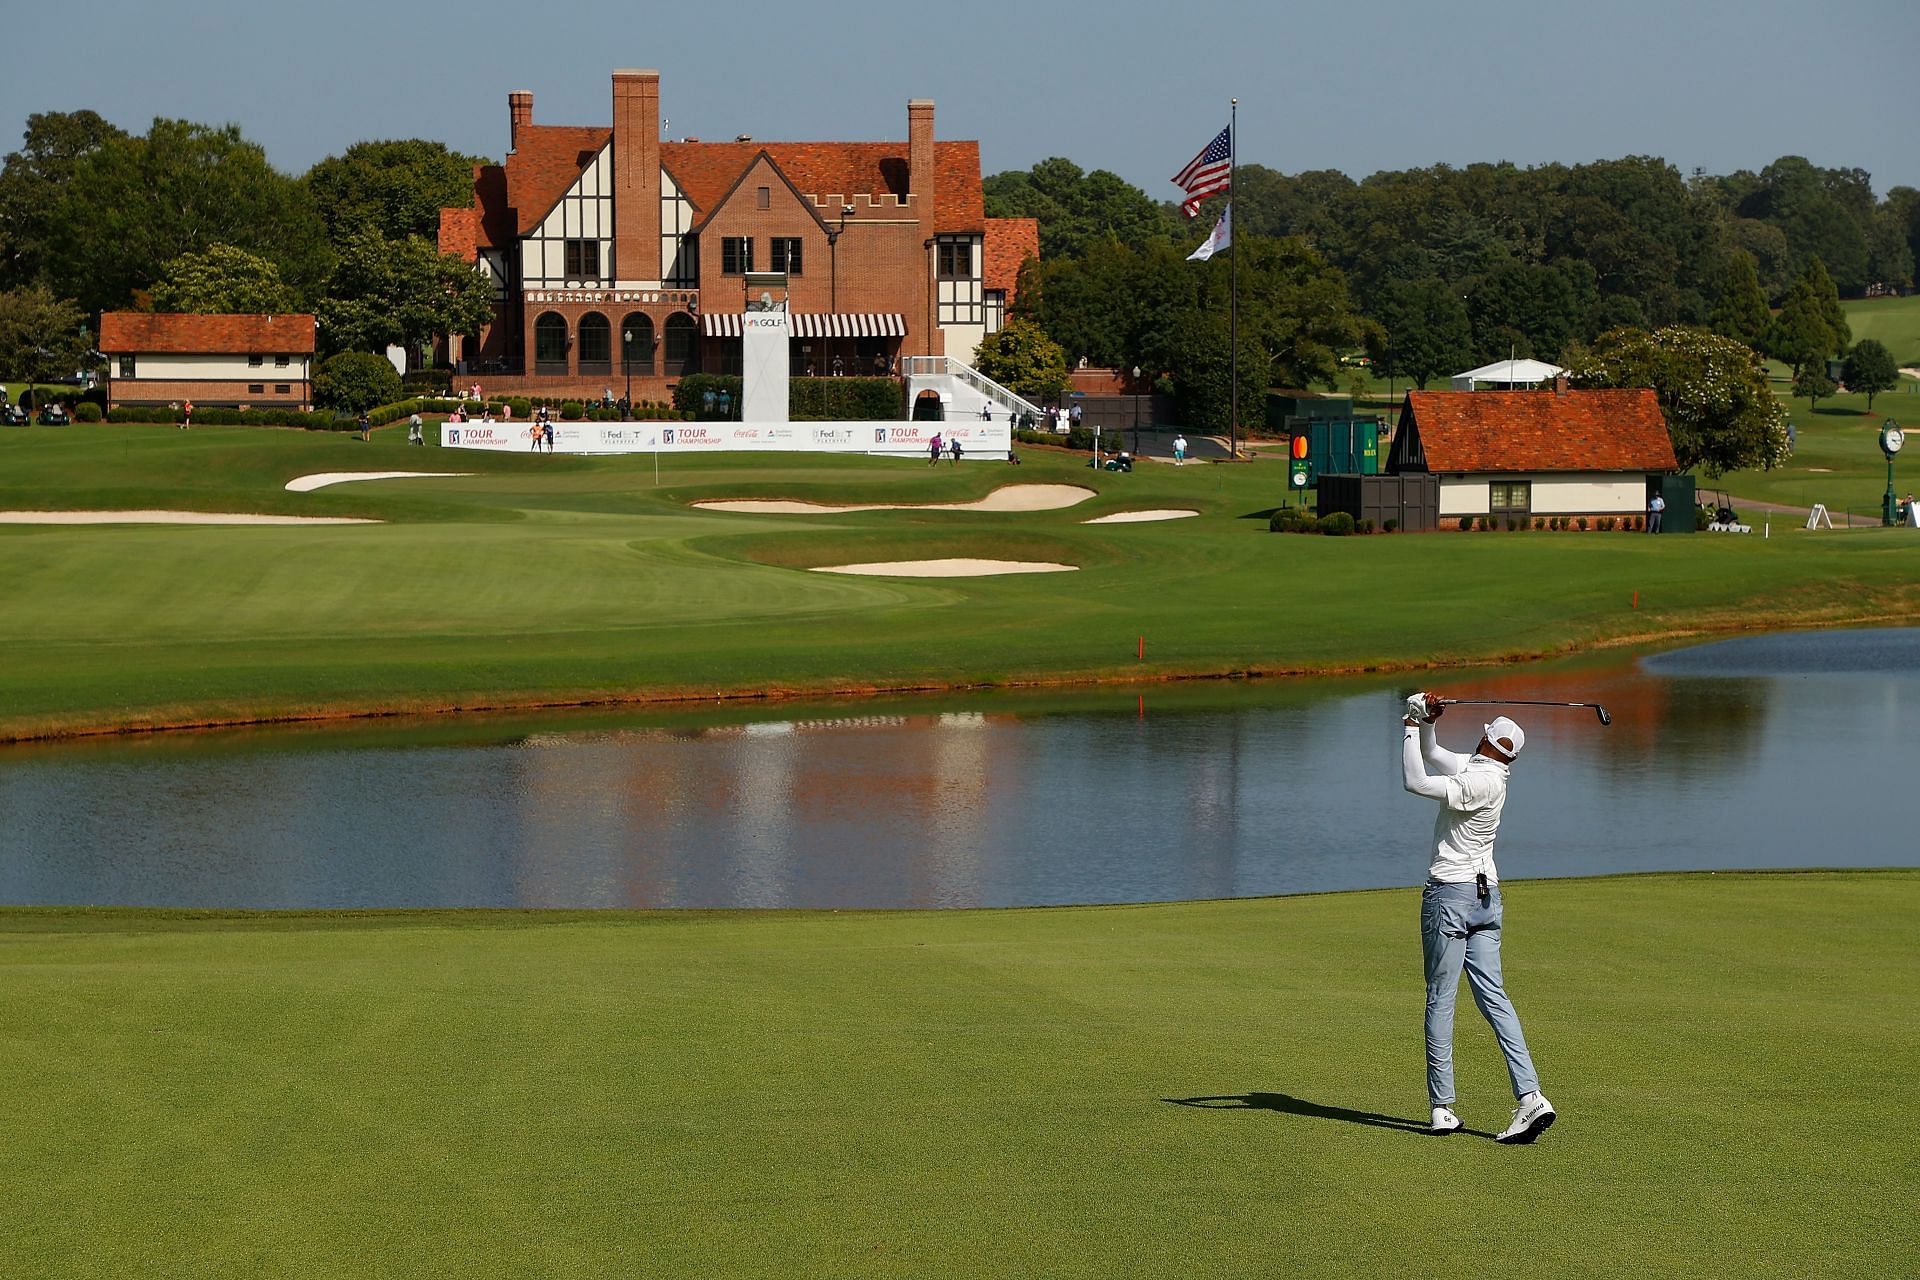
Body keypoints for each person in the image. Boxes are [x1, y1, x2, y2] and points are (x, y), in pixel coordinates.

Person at [1401, 693, 1556, 1144]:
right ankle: (1530, 1097)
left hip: (1450, 896)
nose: (1479, 734)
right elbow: (1433, 755)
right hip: (1485, 899)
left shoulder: (1477, 784)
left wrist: (1410, 722)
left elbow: (1415, 779)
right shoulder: (1484, 770)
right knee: (1495, 999)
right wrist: (1429, 721)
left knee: (1440, 999)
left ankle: (1441, 1108)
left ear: (1489, 741)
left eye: (1484, 732)